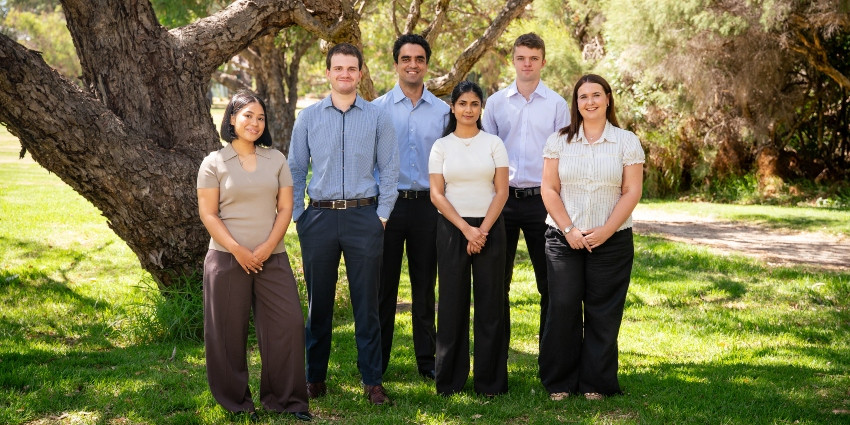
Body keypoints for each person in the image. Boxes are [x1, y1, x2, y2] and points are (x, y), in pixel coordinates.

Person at [288, 43, 399, 406]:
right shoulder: (308, 117)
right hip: (317, 217)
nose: (345, 74)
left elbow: (391, 169)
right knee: (317, 303)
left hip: (363, 216)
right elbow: (294, 169)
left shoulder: (378, 117)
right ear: (328, 73)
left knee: (366, 304)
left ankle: (372, 381)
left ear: (361, 73)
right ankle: (314, 378)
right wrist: (298, 216)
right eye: (339, 68)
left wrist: (381, 216)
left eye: (352, 68)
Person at [197, 90, 312, 422]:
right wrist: (239, 250)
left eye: (260, 117)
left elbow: (286, 207)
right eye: (247, 115)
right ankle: (236, 402)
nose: (255, 122)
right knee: (227, 333)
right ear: (232, 119)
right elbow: (209, 215)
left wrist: (264, 249)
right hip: (227, 258)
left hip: (271, 257)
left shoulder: (275, 159)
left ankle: (287, 401)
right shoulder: (213, 163)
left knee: (288, 326)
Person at [538, 74, 645, 400]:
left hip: (611, 239)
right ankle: (560, 382)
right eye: (583, 97)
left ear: (608, 99)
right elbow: (549, 189)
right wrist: (569, 229)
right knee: (564, 307)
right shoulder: (558, 140)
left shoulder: (627, 142)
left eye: (596, 95)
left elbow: (632, 190)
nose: (590, 102)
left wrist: (606, 230)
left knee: (603, 311)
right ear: (577, 103)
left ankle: (596, 383)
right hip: (563, 238)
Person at [481, 33, 569, 343]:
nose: (527, 64)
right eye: (521, 58)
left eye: (533, 58)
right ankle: (497, 359)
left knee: (550, 282)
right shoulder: (495, 104)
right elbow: (486, 152)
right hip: (501, 201)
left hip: (542, 202)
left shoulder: (558, 105)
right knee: (496, 283)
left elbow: (563, 156)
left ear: (543, 61)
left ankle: (550, 357)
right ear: (513, 61)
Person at [372, 34, 449, 381]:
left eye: (419, 58)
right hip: (387, 206)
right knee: (383, 287)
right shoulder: (376, 109)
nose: (413, 64)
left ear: (427, 64)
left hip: (428, 208)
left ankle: (427, 360)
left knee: (424, 286)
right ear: (396, 64)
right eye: (406, 58)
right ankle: (378, 361)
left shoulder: (444, 111)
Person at [429, 80, 509, 397]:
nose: (468, 109)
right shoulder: (441, 146)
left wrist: (482, 230)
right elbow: (436, 194)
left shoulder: (493, 144)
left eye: (474, 103)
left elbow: (501, 191)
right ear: (453, 107)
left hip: (490, 227)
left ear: (481, 108)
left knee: (491, 305)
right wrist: (466, 230)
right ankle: (449, 381)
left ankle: (490, 383)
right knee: (451, 304)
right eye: (462, 103)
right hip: (453, 228)